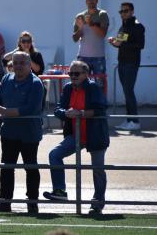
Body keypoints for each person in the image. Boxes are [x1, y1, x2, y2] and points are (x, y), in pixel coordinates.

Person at [0, 51, 44, 213]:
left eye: (22, 63)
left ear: (29, 65)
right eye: (15, 63)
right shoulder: (6, 79)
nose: (18, 66)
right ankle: (4, 202)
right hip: (9, 133)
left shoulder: (36, 83)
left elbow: (30, 109)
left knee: (31, 167)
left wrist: (3, 111)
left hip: (29, 134)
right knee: (7, 168)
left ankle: (32, 202)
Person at [43, 60, 109, 215]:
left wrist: (81, 113)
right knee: (54, 155)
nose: (72, 76)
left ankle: (97, 203)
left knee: (98, 169)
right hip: (75, 134)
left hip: (95, 135)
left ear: (86, 74)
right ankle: (60, 191)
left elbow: (101, 110)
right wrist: (66, 113)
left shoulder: (93, 87)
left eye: (76, 73)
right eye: (70, 73)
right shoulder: (67, 88)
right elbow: (58, 109)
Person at [109, 2, 145, 131]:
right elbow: (120, 44)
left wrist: (122, 44)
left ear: (132, 12)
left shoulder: (137, 26)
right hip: (122, 62)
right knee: (126, 92)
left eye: (126, 11)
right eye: (121, 11)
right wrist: (114, 42)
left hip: (131, 63)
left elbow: (140, 45)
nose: (123, 13)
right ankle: (129, 119)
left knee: (129, 91)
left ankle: (135, 121)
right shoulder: (123, 26)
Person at [73, 0, 109, 90]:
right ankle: (84, 105)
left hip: (99, 57)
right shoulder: (79, 16)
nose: (91, 1)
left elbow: (102, 34)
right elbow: (75, 38)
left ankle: (99, 105)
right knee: (81, 85)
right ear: (85, 1)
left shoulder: (102, 14)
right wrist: (80, 28)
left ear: (97, 0)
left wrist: (91, 24)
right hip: (83, 57)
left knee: (100, 86)